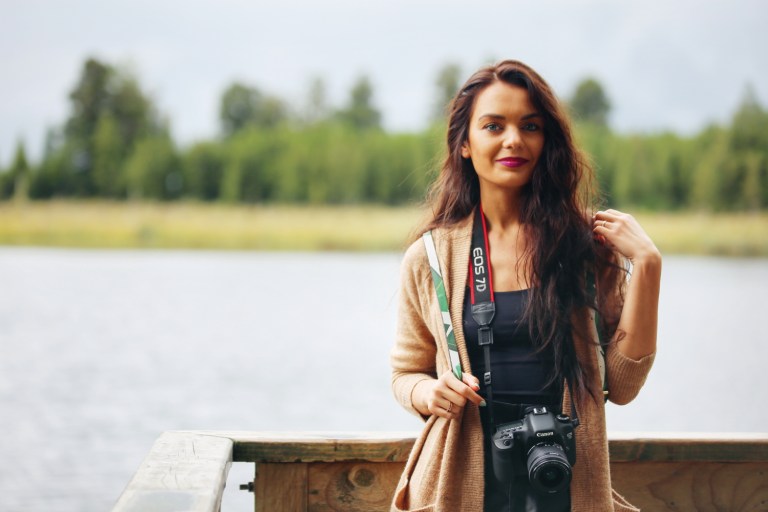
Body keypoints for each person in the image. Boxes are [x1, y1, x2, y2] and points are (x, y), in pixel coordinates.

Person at [390, 60, 660, 512]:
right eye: (493, 126)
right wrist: (429, 392)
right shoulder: (432, 258)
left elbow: (624, 385)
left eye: (529, 126)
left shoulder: (587, 250)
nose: (513, 140)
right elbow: (405, 374)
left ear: (546, 140)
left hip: (563, 481)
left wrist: (648, 266)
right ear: (464, 144)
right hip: (458, 483)